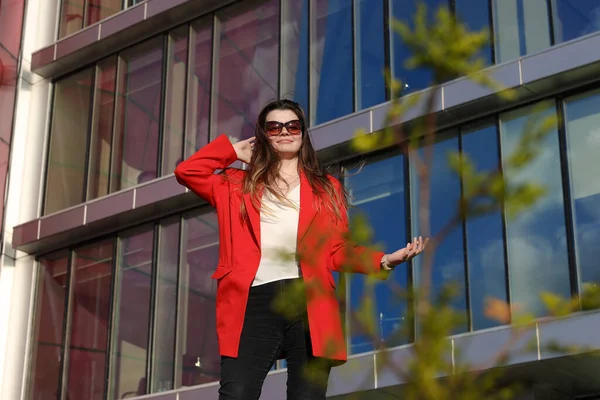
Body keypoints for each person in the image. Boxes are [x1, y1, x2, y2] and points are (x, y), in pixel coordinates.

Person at [174, 99, 427, 400]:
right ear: (264, 134)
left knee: (306, 395)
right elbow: (187, 172)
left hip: (311, 300)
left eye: (292, 125)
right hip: (251, 301)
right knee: (236, 393)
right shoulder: (234, 184)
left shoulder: (325, 187)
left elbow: (336, 249)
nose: (284, 132)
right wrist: (231, 152)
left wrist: (382, 260)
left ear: (303, 133)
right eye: (274, 126)